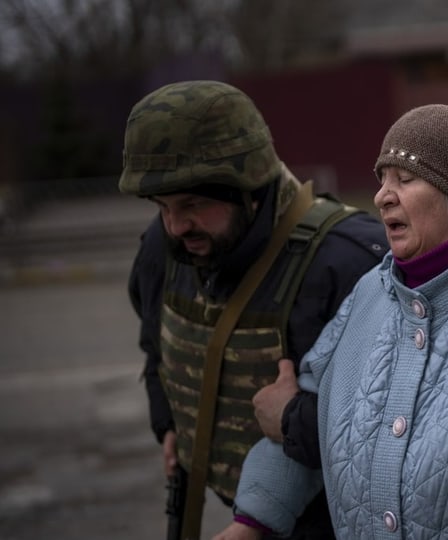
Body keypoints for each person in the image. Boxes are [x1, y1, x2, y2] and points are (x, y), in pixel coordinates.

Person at [213, 104, 448, 539]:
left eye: (405, 179)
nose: (382, 195)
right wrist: (251, 522)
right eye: (381, 180)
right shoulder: (369, 292)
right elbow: (303, 416)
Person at [121, 80, 387, 539]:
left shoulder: (348, 262)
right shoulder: (162, 249)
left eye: (193, 204)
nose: (175, 224)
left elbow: (396, 430)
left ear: (251, 189)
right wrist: (169, 423)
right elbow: (157, 347)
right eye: (161, 205)